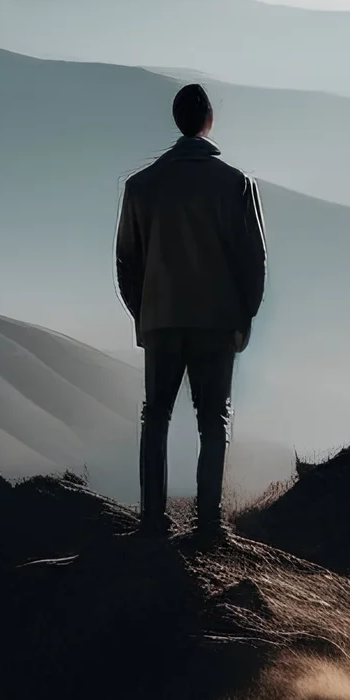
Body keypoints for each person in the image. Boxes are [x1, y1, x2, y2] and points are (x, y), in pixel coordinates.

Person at [115, 82, 267, 545]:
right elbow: (253, 262)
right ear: (209, 121)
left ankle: (152, 522)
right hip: (217, 321)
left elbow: (127, 263)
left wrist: (144, 313)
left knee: (155, 415)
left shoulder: (140, 187)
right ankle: (208, 524)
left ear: (177, 121)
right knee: (213, 419)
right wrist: (244, 319)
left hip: (160, 319)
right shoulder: (236, 184)